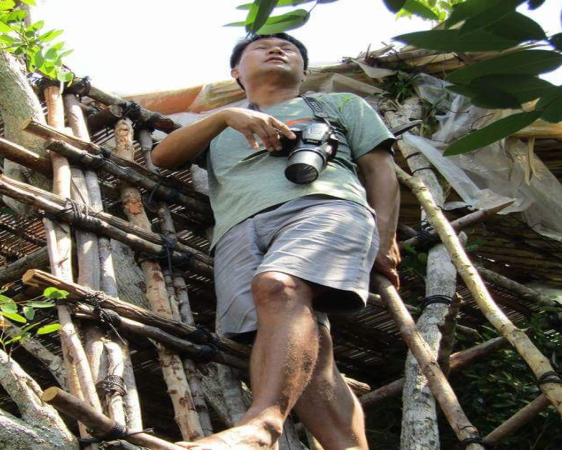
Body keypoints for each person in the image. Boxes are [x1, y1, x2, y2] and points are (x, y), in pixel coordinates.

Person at [151, 32, 400, 450]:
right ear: (236, 72)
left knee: (278, 285)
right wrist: (223, 117)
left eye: (291, 50)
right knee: (311, 358)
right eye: (260, 47)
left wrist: (384, 237)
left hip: (324, 205)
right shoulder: (217, 124)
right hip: (236, 231)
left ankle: (262, 424)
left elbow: (380, 172)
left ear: (304, 71)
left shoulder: (341, 105)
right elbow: (161, 158)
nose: (277, 49)